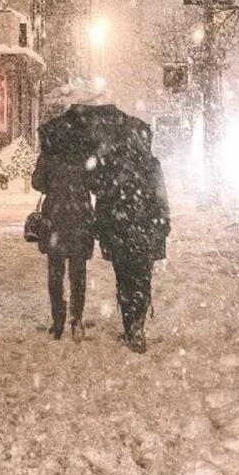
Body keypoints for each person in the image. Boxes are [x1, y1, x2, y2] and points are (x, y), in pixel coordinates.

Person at [94, 139, 170, 354]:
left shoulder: (112, 165)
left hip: (120, 233)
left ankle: (130, 327)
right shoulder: (151, 164)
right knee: (142, 281)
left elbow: (103, 200)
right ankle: (138, 325)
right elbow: (160, 197)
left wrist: (102, 227)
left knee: (124, 281)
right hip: (145, 232)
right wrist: (163, 222)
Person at [31, 150, 94, 341]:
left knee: (55, 272)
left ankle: (58, 320)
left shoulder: (50, 154)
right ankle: (77, 318)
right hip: (80, 217)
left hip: (55, 218)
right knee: (78, 272)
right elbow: (95, 183)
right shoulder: (84, 153)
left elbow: (37, 183)